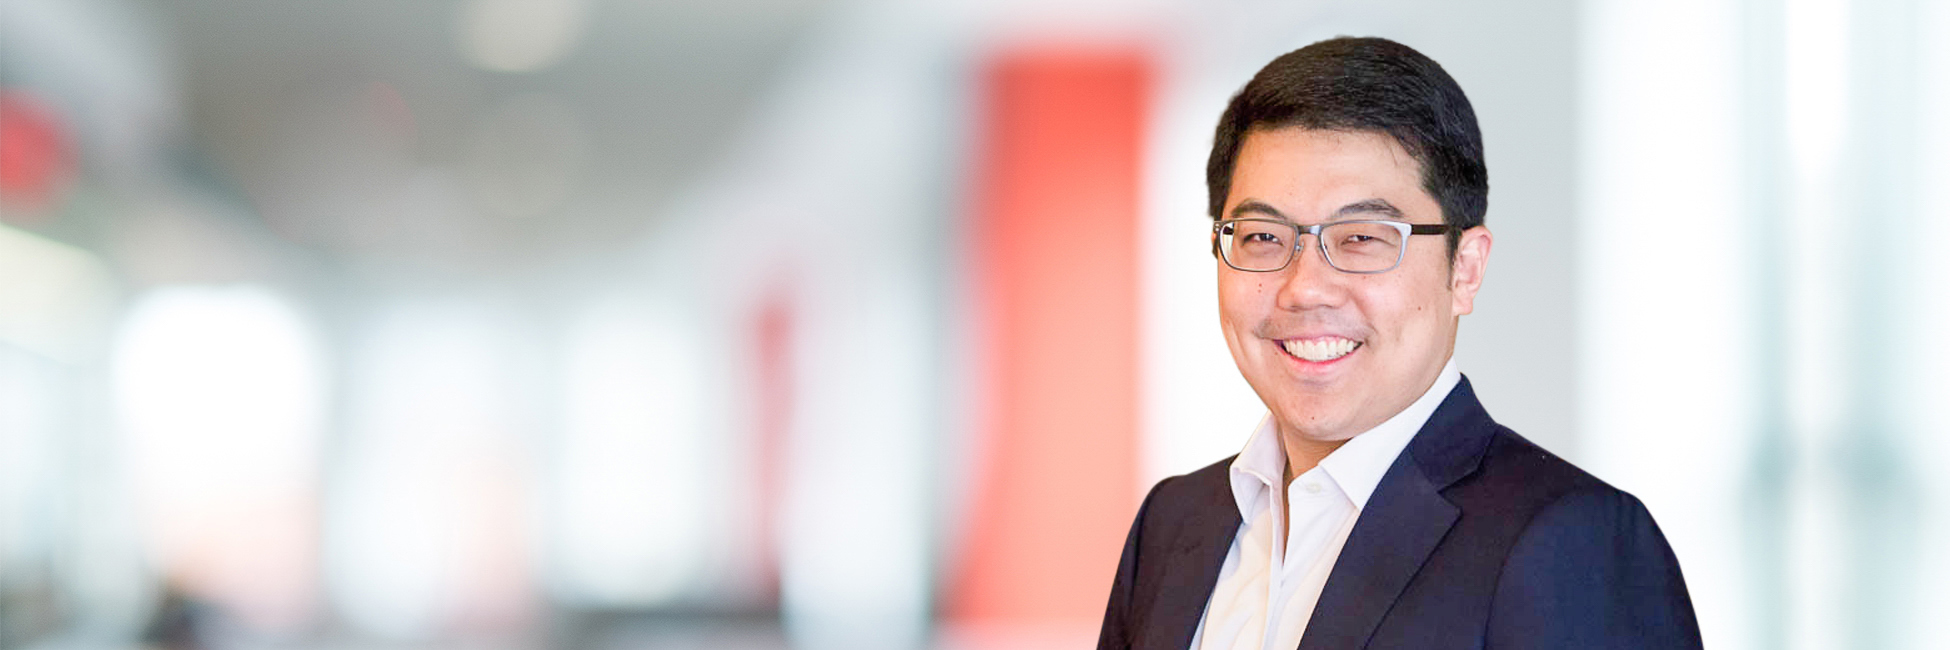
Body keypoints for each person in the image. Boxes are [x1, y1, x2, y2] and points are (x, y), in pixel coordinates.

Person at [1095, 37, 1702, 650]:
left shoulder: (1572, 541)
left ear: (1464, 269)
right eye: (1263, 237)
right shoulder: (1172, 525)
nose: (1305, 289)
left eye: (1361, 237)